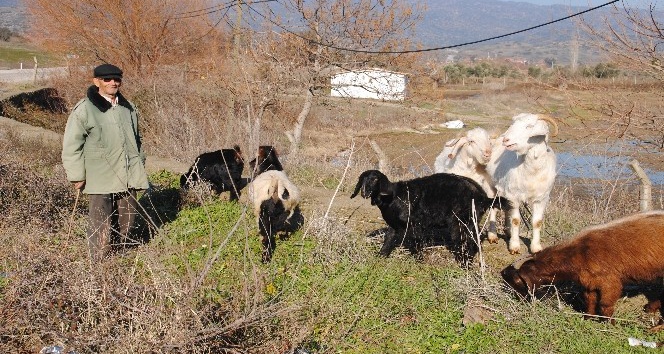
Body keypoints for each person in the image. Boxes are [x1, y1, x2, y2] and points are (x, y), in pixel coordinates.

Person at [61, 63, 149, 261]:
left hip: (128, 174)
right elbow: (71, 146)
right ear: (96, 82)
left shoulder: (129, 108)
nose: (112, 82)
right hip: (99, 175)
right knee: (100, 221)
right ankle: (99, 262)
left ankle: (120, 257)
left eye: (116, 79)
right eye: (106, 79)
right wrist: (76, 175)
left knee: (127, 219)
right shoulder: (84, 109)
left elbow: (137, 140)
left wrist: (139, 162)